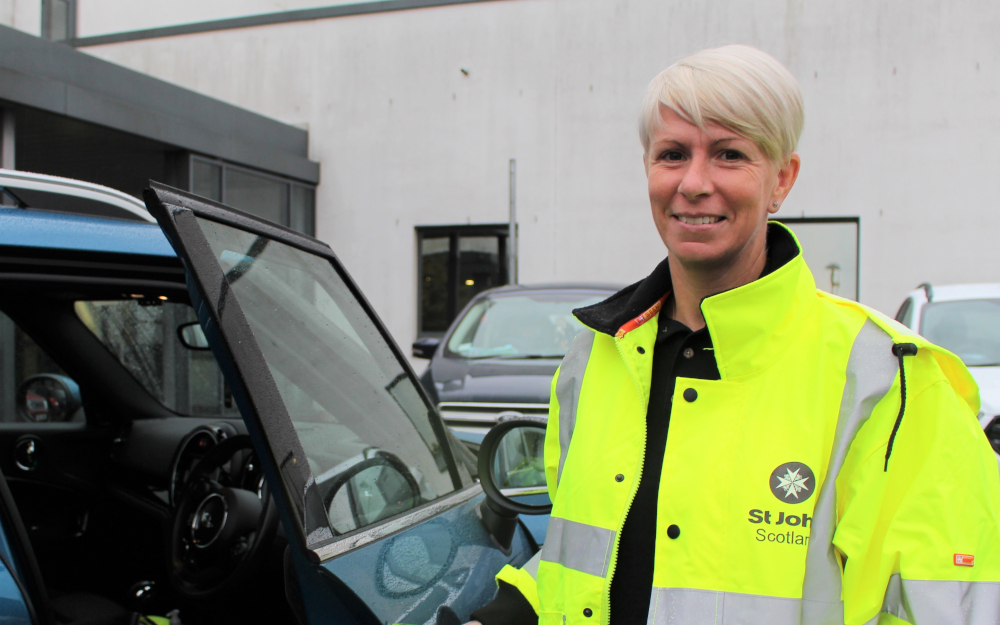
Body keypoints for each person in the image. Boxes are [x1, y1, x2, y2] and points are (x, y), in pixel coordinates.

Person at [468, 45, 1000, 625]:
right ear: (647, 168)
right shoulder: (596, 356)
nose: (695, 183)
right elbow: (583, 562)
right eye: (672, 154)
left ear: (782, 179)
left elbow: (952, 610)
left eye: (729, 154)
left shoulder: (891, 383)